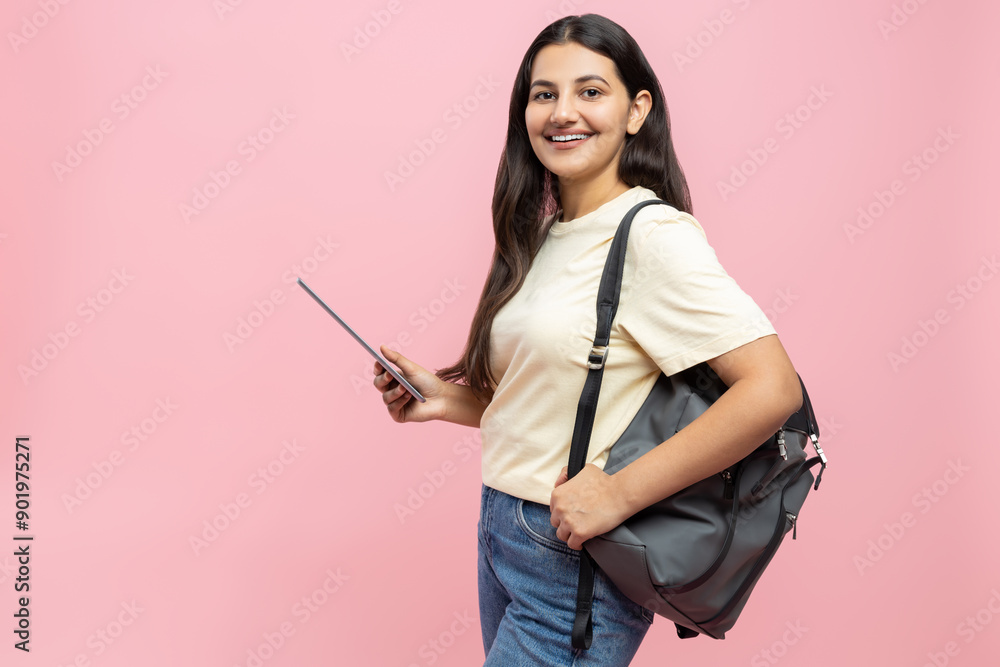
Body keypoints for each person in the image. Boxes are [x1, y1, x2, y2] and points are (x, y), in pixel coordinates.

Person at [371, 13, 803, 666]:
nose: (561, 111)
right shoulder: (540, 239)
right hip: (502, 532)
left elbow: (772, 388)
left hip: (569, 555)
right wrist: (443, 399)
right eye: (543, 94)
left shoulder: (651, 235)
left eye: (590, 91)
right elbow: (566, 403)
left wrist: (619, 490)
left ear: (637, 110)